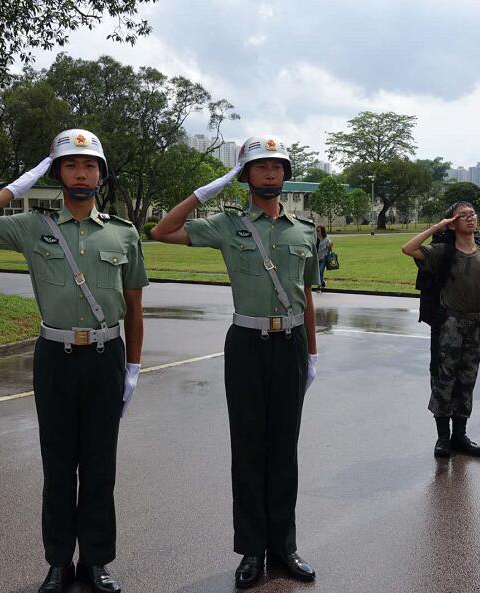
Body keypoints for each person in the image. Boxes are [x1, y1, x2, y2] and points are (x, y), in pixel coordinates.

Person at [0, 129, 147, 593]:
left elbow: (135, 307)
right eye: (72, 165)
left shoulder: (123, 232)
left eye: (91, 165)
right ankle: (58, 561)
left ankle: (96, 561)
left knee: (99, 465)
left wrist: (133, 367)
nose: (83, 172)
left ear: (101, 174)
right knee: (58, 465)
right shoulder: (32, 226)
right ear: (56, 173)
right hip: (54, 356)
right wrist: (15, 189)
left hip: (105, 355)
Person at [151, 135, 320, 588]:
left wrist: (312, 354)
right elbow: (162, 231)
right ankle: (251, 551)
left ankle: (284, 547)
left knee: (284, 449)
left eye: (277, 167)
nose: (270, 174)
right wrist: (205, 191)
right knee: (248, 450)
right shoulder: (227, 225)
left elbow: (306, 295)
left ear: (285, 174)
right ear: (244, 176)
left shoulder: (304, 230)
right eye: (260, 167)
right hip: (246, 343)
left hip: (291, 345)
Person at [401, 201, 480, 459]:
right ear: (453, 223)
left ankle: (460, 435)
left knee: (467, 381)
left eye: (473, 214)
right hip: (450, 325)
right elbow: (408, 248)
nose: (470, 218)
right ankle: (443, 438)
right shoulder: (441, 252)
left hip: (475, 324)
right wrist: (437, 227)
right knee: (444, 379)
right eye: (463, 216)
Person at [315, 225, 332, 291]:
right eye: (316, 230)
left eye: (318, 231)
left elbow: (330, 248)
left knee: (320, 272)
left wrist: (330, 246)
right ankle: (323, 282)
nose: (317, 232)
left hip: (323, 258)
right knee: (318, 273)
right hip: (316, 259)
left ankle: (319, 287)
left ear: (322, 231)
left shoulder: (326, 239)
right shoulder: (315, 239)